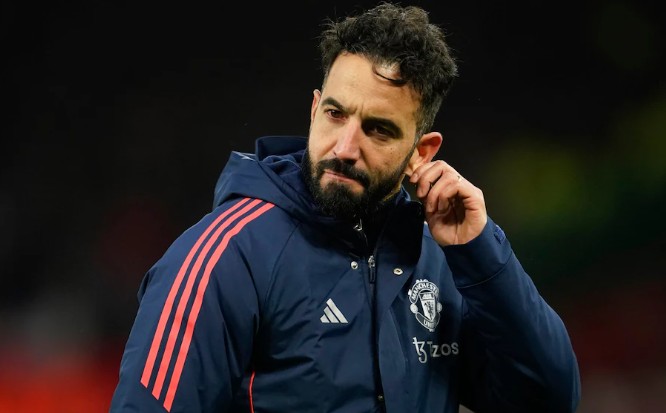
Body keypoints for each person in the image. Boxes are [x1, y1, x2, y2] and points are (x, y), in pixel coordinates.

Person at [109, 3, 581, 412]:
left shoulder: (441, 259)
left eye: (378, 129)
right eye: (336, 114)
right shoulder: (226, 256)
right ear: (314, 110)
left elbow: (547, 399)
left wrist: (481, 253)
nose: (345, 147)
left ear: (421, 152)